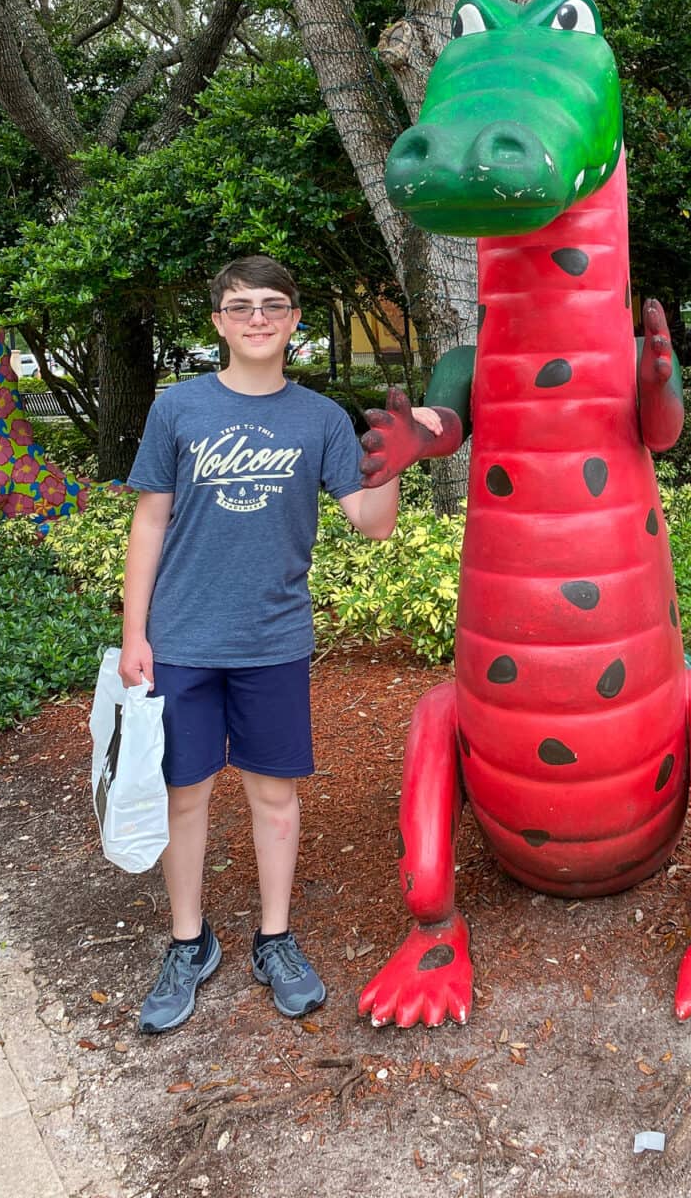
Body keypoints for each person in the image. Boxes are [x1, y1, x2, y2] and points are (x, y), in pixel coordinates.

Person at [120, 257, 455, 1035]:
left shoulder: (320, 420)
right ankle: (188, 943)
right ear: (219, 322)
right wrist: (135, 633)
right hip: (182, 637)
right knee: (186, 794)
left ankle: (274, 937)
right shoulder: (179, 410)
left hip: (273, 638)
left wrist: (397, 461)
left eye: (274, 306)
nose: (258, 318)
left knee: (274, 796)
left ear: (296, 319)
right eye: (241, 307)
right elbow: (150, 521)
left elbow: (371, 522)